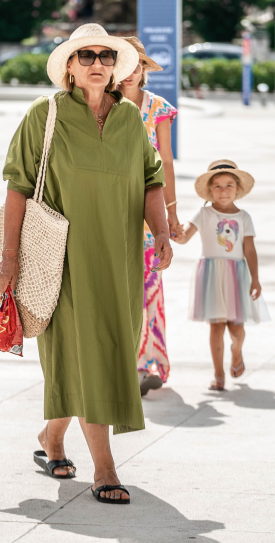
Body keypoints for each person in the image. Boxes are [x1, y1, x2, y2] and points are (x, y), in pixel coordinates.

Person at [0, 23, 171, 505]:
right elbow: (16, 185)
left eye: (106, 56)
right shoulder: (45, 114)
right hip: (63, 263)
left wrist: (160, 232)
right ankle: (106, 468)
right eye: (87, 55)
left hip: (119, 260)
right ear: (69, 67)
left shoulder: (131, 119)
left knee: (105, 354)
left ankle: (52, 438)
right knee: (89, 356)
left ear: (117, 68)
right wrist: (8, 261)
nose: (98, 63)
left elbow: (151, 179)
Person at [117, 36, 180, 396]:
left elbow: (166, 162)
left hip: (148, 213)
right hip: (112, 210)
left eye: (136, 65)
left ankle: (146, 363)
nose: (130, 72)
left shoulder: (159, 109)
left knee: (149, 287)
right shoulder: (103, 105)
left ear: (144, 70)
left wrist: (170, 216)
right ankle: (122, 363)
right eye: (123, 65)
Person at [174, 160, 267, 392]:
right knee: (216, 326)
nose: (223, 191)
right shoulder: (204, 213)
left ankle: (237, 352)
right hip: (211, 276)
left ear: (237, 188)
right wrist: (174, 231)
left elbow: (249, 250)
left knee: (236, 328)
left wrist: (255, 278)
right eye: (217, 186)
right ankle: (218, 373)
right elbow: (185, 237)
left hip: (237, 276)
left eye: (228, 186)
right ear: (209, 190)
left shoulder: (244, 217)